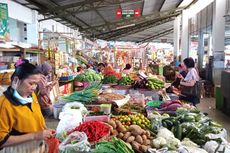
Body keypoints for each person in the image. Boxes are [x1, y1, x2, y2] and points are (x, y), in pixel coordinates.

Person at [0, 61, 54, 151]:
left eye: (36, 84)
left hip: (37, 146)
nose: (34, 88)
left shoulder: (31, 95)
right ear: (16, 80)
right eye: (31, 83)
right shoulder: (4, 104)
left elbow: (36, 116)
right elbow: (2, 140)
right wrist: (35, 135)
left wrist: (44, 131)